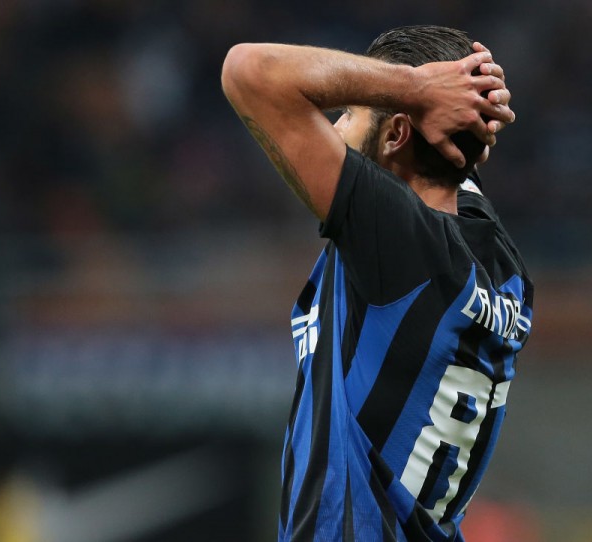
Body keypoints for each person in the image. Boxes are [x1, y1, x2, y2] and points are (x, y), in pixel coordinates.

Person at [221, 25, 534, 541]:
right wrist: (470, 100)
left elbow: (248, 71)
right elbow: (456, 161)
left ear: (395, 135)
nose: (334, 126)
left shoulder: (400, 241)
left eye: (348, 113)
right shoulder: (500, 261)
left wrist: (414, 88)